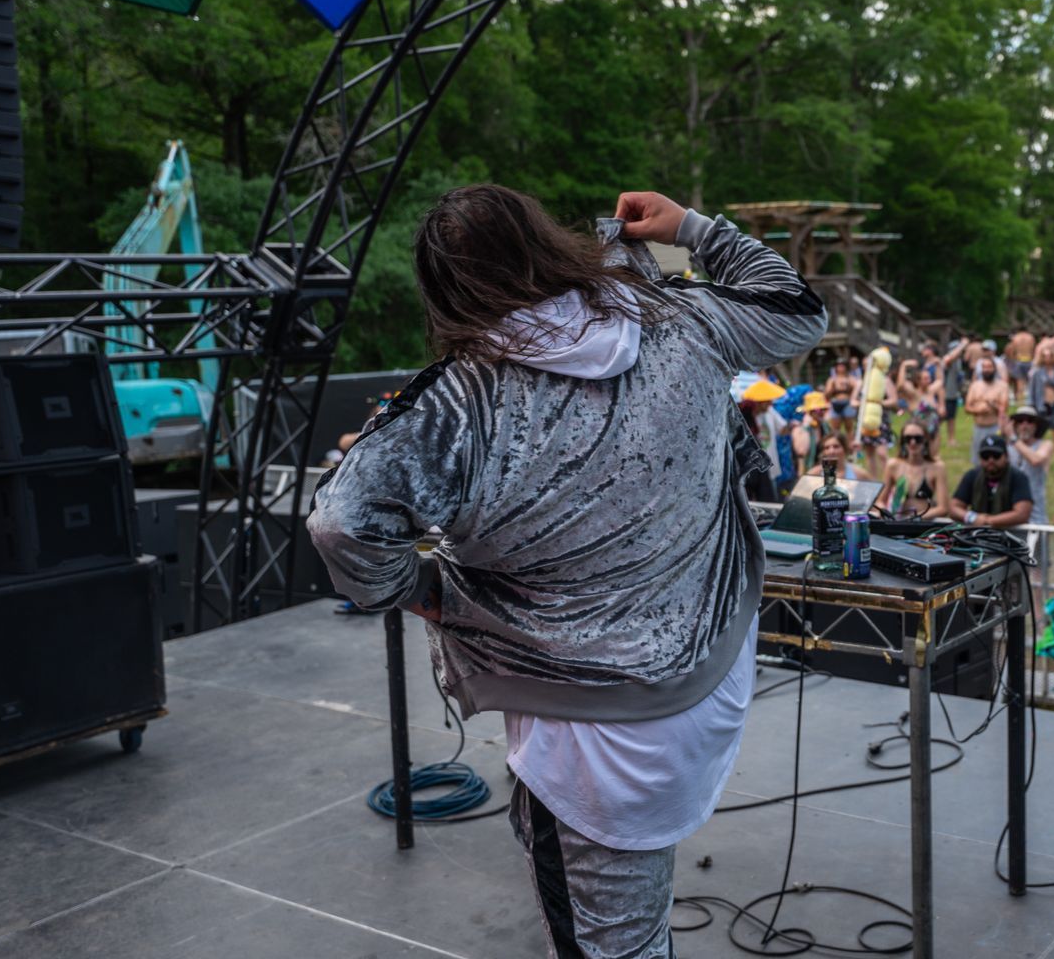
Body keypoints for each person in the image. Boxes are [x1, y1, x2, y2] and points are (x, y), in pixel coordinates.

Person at [308, 185, 826, 958]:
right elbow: (797, 307)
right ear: (545, 242)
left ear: (446, 291)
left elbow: (340, 522)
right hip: (708, 680)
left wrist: (422, 592)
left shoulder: (461, 400)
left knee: (610, 946)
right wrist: (692, 229)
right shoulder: (679, 317)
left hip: (586, 732)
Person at [949, 434, 1035, 530]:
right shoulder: (972, 475)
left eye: (996, 455)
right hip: (976, 535)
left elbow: (1022, 513)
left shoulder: (1018, 477)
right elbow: (953, 508)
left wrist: (989, 520)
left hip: (1011, 536)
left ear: (1006, 457)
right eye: (985, 456)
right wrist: (972, 517)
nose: (991, 460)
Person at [874, 420, 948, 520]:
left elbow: (943, 508)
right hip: (897, 521)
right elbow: (880, 501)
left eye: (918, 439)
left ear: (925, 440)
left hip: (924, 522)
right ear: (903, 441)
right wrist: (886, 513)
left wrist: (915, 518)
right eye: (908, 438)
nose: (913, 442)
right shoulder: (893, 465)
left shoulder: (937, 467)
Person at [1008, 406, 1053, 526]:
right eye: (1020, 421)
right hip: (1011, 513)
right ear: (1015, 425)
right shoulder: (1007, 449)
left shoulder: (1045, 445)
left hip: (1037, 514)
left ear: (1036, 425)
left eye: (1029, 421)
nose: (1025, 425)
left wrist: (1013, 438)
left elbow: (1036, 460)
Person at [963, 354, 1010, 456]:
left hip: (995, 427)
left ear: (994, 368)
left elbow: (1004, 407)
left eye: (989, 367)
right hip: (978, 427)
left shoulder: (1002, 386)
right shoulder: (975, 386)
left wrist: (991, 404)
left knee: (997, 456)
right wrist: (978, 410)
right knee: (978, 457)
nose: (986, 370)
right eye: (984, 367)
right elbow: (967, 407)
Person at [825, 359, 859, 440]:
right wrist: (832, 389)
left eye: (842, 366)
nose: (841, 368)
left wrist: (850, 387)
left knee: (849, 427)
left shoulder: (851, 379)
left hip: (847, 403)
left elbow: (857, 390)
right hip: (835, 403)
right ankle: (837, 444)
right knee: (835, 428)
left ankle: (850, 446)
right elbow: (826, 395)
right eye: (839, 366)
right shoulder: (832, 380)